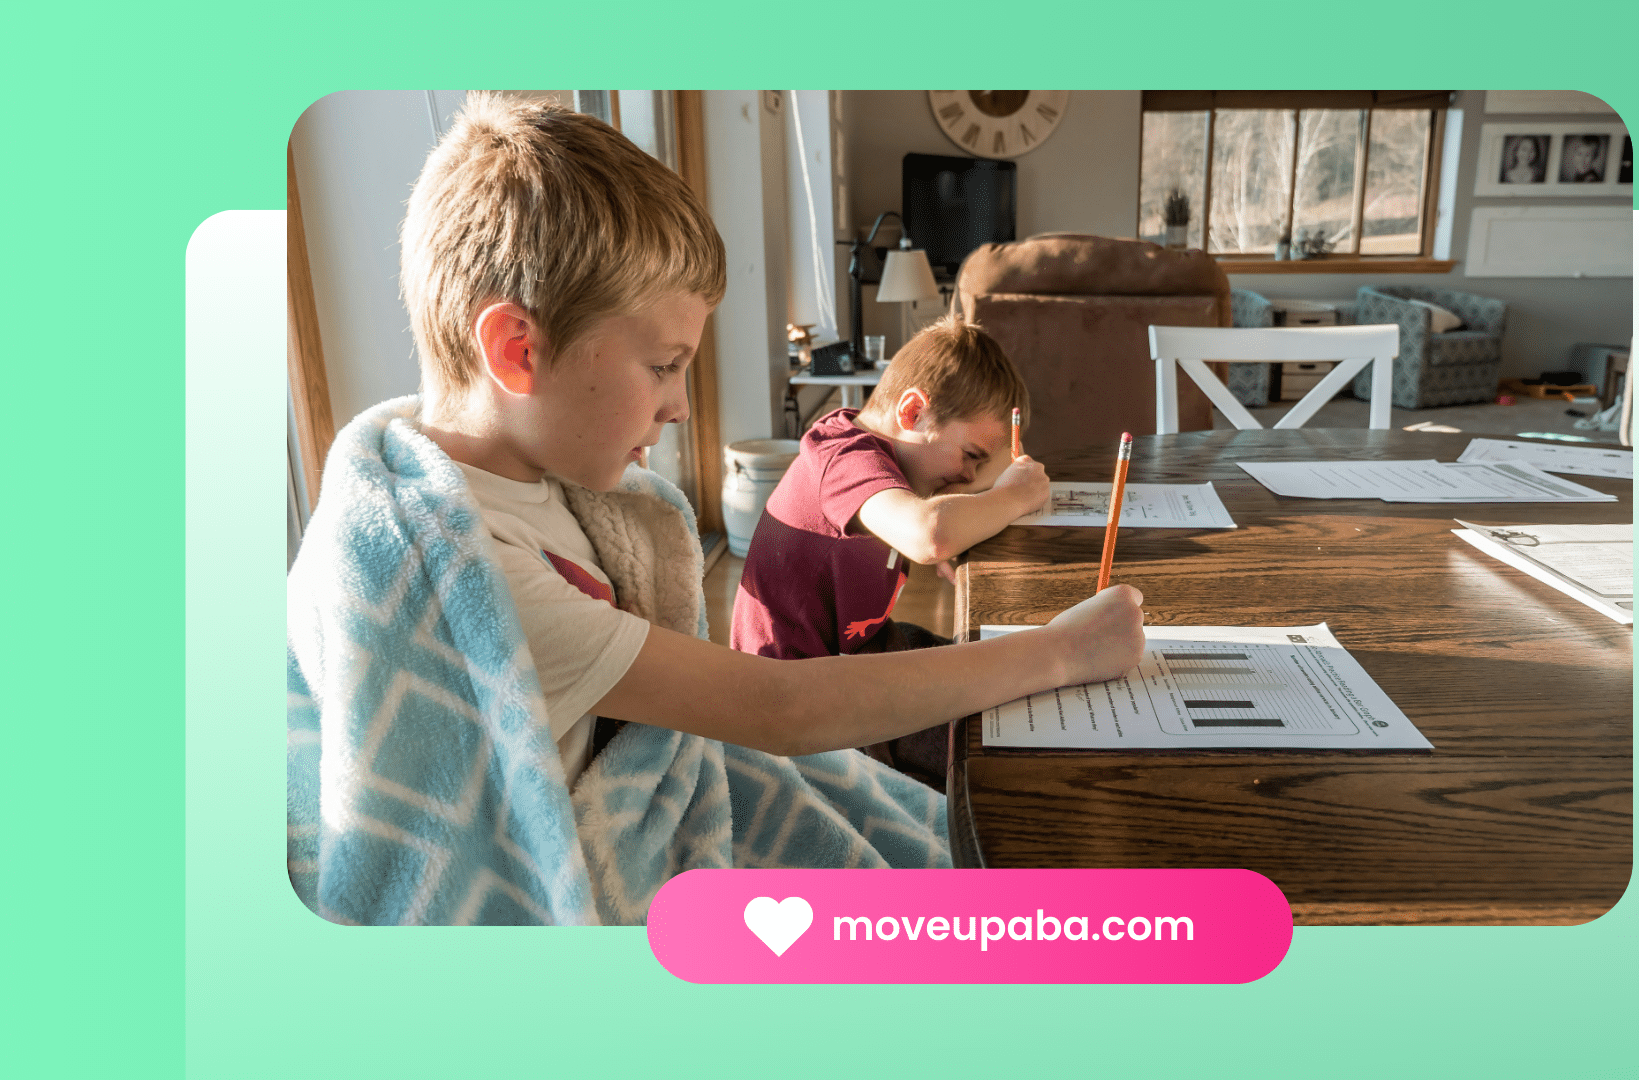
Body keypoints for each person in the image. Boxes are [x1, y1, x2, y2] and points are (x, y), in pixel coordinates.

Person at [286, 94, 1145, 924]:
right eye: (663, 365)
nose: (681, 409)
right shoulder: (469, 574)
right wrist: (1062, 651)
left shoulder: (532, 478)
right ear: (519, 350)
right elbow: (782, 712)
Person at [730, 317, 1045, 783]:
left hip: (858, 652)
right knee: (987, 749)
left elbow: (925, 524)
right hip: (795, 699)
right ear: (912, 412)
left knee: (1002, 680)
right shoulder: (842, 458)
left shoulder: (886, 455)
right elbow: (928, 533)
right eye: (971, 457)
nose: (969, 479)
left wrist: (962, 525)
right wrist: (1011, 497)